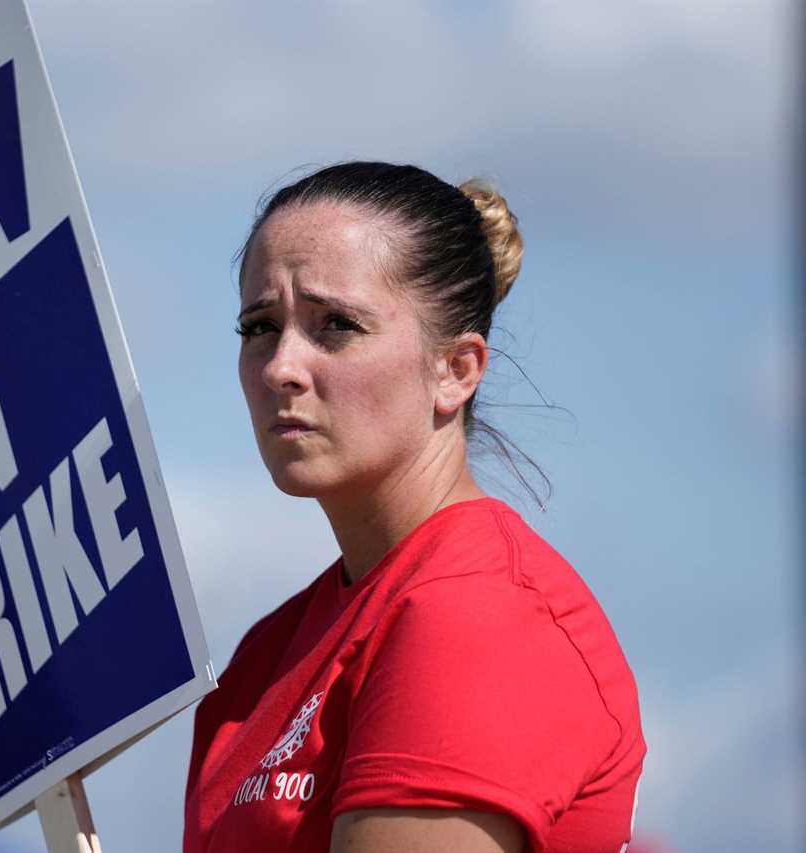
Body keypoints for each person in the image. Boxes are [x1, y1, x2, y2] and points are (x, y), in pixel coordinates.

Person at [182, 162, 645, 853]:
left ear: (455, 369)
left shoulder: (478, 614)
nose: (281, 364)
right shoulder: (261, 661)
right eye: (259, 325)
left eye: (336, 323)